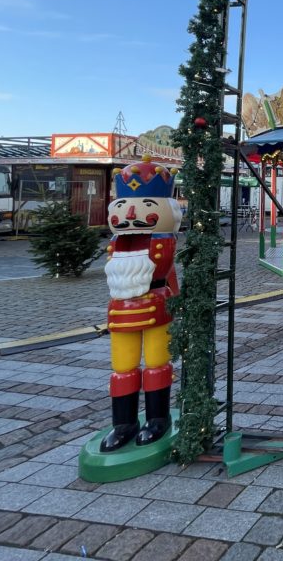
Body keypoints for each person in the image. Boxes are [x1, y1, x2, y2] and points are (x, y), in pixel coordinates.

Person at [101, 157, 181, 451]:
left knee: (157, 363)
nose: (131, 214)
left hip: (156, 306)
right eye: (122, 207)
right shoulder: (119, 242)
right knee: (123, 366)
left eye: (147, 205)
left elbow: (162, 266)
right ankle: (123, 423)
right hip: (121, 309)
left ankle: (157, 418)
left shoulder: (162, 242)